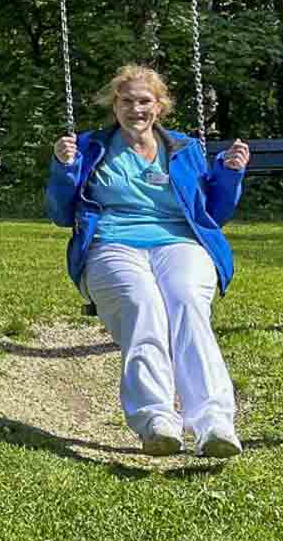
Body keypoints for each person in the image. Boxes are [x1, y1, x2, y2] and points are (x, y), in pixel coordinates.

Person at [45, 63, 250, 459]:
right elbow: (60, 213)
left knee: (187, 301)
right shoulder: (89, 148)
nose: (135, 109)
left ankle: (214, 423)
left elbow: (214, 212)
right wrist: (64, 169)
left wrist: (228, 174)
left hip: (179, 242)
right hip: (112, 243)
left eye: (144, 101)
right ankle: (156, 419)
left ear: (159, 106)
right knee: (143, 304)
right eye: (126, 101)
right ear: (114, 105)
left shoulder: (184, 149)